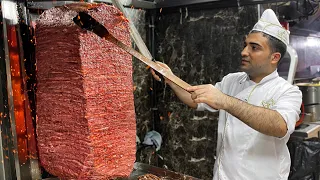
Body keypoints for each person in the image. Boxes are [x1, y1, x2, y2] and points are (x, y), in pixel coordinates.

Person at [151, 9, 302, 180]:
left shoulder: (288, 91)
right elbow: (195, 98)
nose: (244, 52)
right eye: (245, 45)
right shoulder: (232, 80)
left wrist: (224, 101)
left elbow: (280, 126)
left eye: (254, 47)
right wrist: (170, 78)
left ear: (274, 57)